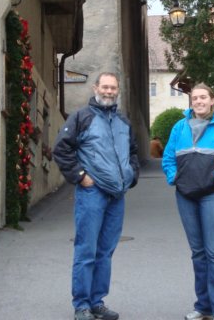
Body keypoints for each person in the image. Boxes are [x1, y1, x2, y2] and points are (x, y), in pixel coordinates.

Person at [53, 72, 139, 320]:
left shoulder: (123, 121)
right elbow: (61, 149)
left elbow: (133, 151)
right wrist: (80, 176)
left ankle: (97, 302)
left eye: (113, 88)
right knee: (86, 250)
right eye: (105, 87)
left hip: (117, 196)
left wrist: (131, 175)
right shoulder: (82, 117)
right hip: (92, 193)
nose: (109, 91)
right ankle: (81, 305)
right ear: (95, 88)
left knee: (105, 252)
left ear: (117, 90)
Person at [162, 83, 214, 320]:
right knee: (198, 253)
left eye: (203, 97)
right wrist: (173, 177)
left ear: (212, 100)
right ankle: (204, 307)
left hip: (213, 194)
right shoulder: (179, 127)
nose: (198, 101)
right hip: (185, 195)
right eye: (195, 98)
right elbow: (168, 158)